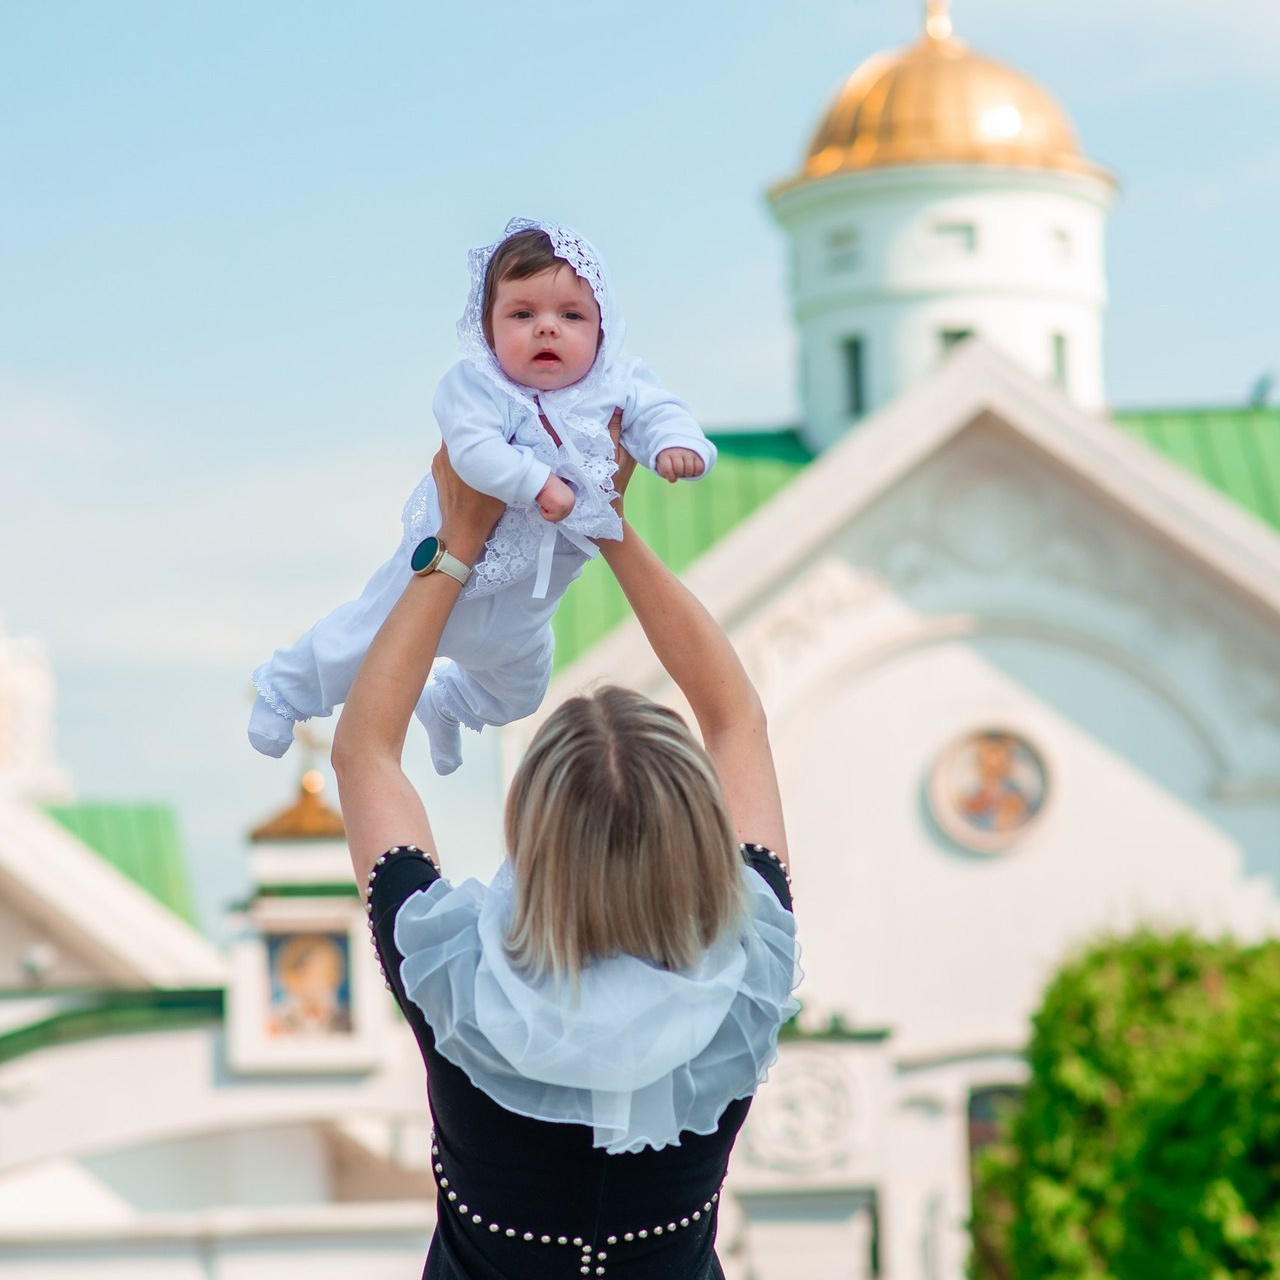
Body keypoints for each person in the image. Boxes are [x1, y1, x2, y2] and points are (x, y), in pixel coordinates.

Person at [331, 433, 800, 1279]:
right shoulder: (750, 972)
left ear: (535, 836)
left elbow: (366, 753)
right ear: (696, 836)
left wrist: (459, 542)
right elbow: (737, 722)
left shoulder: (457, 982)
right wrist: (608, 523)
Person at [249, 216, 716, 774]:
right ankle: (285, 691)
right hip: (449, 568)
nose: (547, 329)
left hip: (528, 601)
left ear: (603, 328)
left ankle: (446, 703)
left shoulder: (618, 385)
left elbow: (663, 413)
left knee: (523, 692)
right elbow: (471, 451)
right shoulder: (478, 387)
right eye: (523, 315)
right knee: (362, 639)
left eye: (571, 316)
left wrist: (677, 446)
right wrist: (536, 482)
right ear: (488, 327)